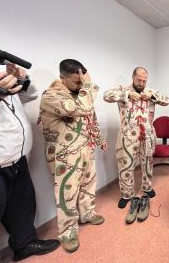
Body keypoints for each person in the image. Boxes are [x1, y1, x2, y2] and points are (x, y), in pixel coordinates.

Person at [0, 37, 60, 262]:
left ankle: (24, 243)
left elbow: (29, 96)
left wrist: (22, 78)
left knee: (22, 205)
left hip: (16, 159)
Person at [39, 59, 107, 252]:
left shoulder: (80, 94)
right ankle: (67, 231)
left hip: (85, 147)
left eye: (82, 81)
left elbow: (90, 116)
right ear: (62, 77)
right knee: (67, 192)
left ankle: (87, 213)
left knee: (88, 183)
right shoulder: (51, 96)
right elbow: (81, 108)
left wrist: (99, 137)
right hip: (64, 153)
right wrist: (89, 85)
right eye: (77, 82)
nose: (81, 85)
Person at [103, 67, 169, 224]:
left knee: (147, 162)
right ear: (133, 77)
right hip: (127, 134)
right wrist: (126, 95)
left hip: (147, 134)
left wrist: (152, 95)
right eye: (139, 80)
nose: (142, 83)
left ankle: (147, 187)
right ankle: (127, 194)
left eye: (144, 80)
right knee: (125, 165)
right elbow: (106, 95)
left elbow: (166, 100)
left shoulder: (151, 92)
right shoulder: (123, 90)